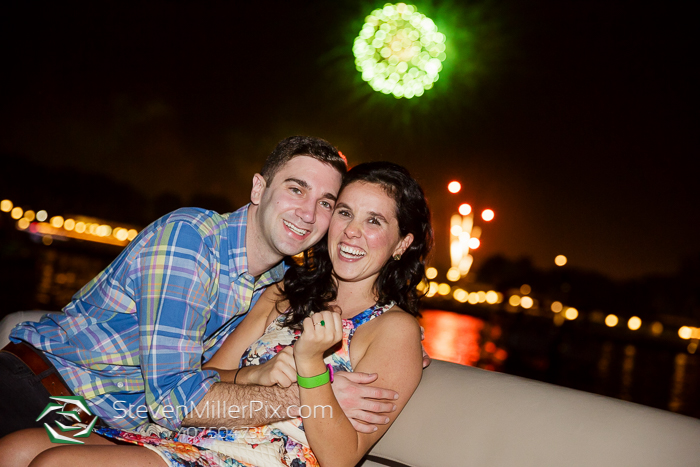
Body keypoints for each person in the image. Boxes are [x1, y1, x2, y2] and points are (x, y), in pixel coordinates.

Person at [11, 161, 433, 467]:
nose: (352, 231)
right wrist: (260, 374)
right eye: (344, 212)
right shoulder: (284, 291)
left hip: (257, 457)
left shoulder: (394, 329)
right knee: (16, 450)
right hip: (190, 433)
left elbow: (341, 458)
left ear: (401, 244)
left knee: (57, 464)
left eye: (374, 220)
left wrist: (310, 368)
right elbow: (210, 373)